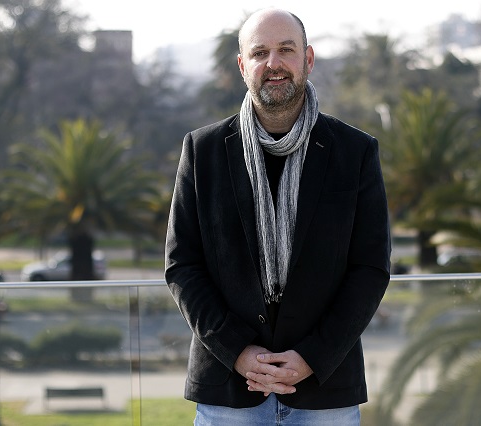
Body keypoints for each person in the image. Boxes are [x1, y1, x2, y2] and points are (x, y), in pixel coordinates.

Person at [165, 7, 391, 425]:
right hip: (229, 389)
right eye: (260, 52)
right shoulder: (202, 151)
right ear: (242, 65)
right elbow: (183, 266)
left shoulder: (355, 151)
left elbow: (370, 268)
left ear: (308, 59)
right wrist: (238, 352)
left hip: (325, 388)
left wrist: (312, 357)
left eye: (286, 50)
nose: (274, 63)